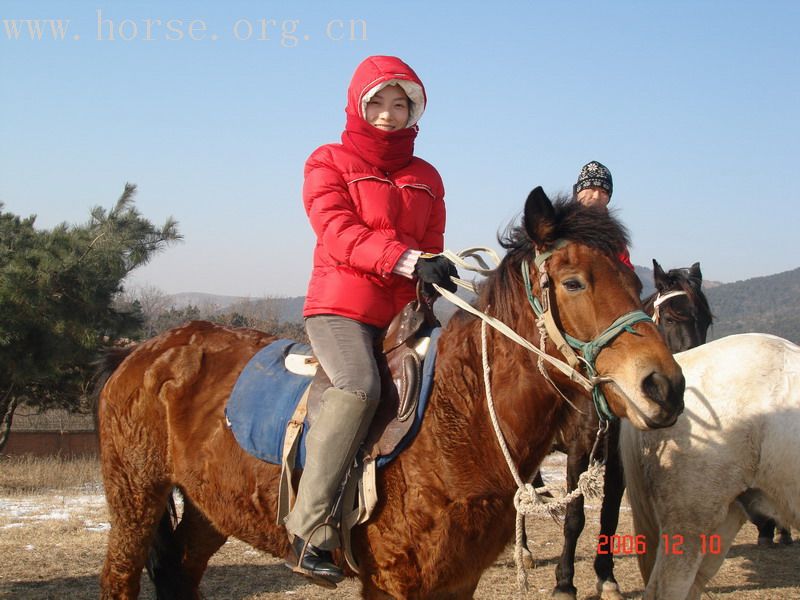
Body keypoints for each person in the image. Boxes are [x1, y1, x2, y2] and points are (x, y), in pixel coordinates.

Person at [283, 55, 458, 585]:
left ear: (414, 111)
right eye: (377, 102)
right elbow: (335, 229)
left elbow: (430, 242)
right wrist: (406, 260)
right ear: (359, 105)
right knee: (359, 387)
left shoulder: (427, 176)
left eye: (399, 104)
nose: (387, 114)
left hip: (405, 313)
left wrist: (433, 270)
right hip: (342, 307)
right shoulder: (328, 160)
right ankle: (309, 528)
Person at [574, 160, 634, 269]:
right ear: (579, 192)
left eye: (603, 192)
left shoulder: (614, 235)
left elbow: (627, 270)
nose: (596, 196)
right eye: (592, 189)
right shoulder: (561, 225)